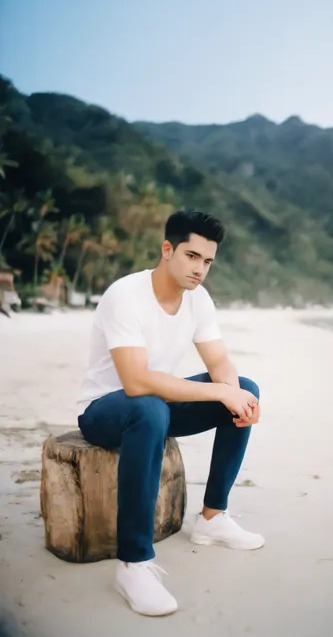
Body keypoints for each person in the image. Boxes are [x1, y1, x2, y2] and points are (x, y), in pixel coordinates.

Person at [77, 210, 264, 617]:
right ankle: (133, 564)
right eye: (192, 256)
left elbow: (220, 362)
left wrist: (235, 396)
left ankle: (212, 518)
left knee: (245, 389)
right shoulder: (125, 295)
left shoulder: (199, 299)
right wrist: (218, 390)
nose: (200, 269)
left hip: (155, 408)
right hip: (104, 413)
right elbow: (135, 382)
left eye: (208, 261)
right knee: (148, 408)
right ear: (167, 250)